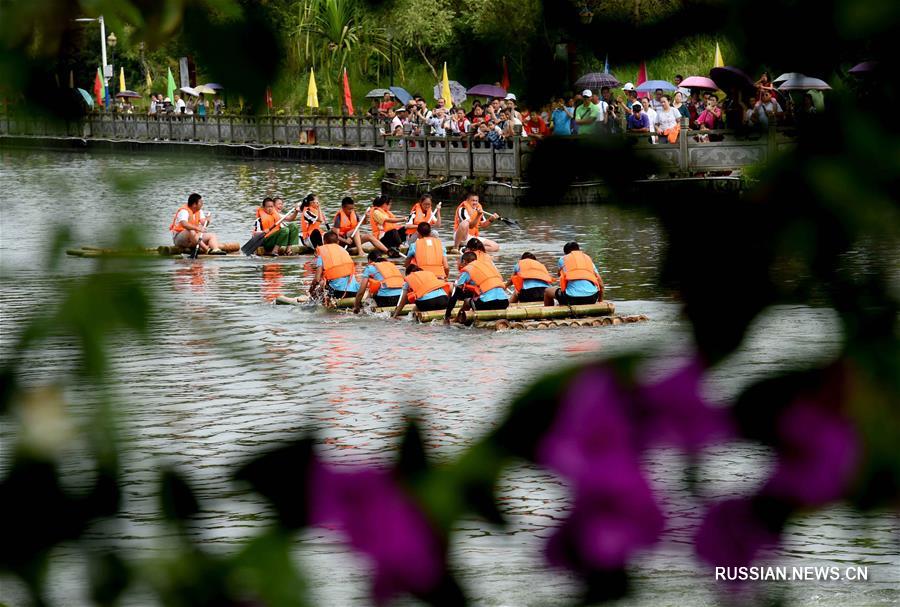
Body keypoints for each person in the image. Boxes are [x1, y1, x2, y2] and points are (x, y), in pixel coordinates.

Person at [443, 251, 509, 323]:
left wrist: (447, 315)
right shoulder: (488, 266)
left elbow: (455, 293)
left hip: (488, 303)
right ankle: (458, 319)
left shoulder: (468, 269)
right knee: (473, 297)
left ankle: (458, 320)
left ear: (464, 262)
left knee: (467, 301)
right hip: (504, 302)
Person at [544, 242, 603, 306]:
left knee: (547, 291)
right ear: (579, 250)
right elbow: (601, 285)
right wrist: (600, 301)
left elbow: (559, 275)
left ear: (565, 253)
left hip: (571, 298)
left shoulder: (563, 259)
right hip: (592, 298)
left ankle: (550, 312)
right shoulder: (588, 260)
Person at [311, 232, 360, 300]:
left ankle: (315, 300)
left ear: (324, 242)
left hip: (338, 293)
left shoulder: (322, 253)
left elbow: (316, 279)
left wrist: (311, 292)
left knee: (322, 282)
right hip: (355, 292)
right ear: (338, 242)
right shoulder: (344, 251)